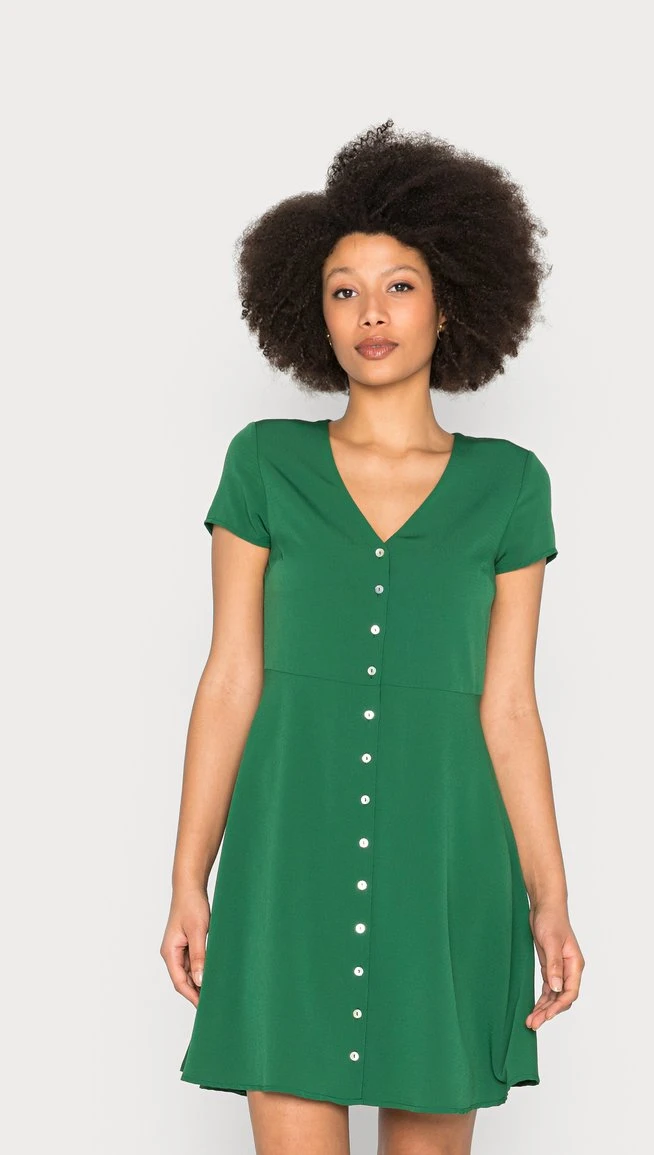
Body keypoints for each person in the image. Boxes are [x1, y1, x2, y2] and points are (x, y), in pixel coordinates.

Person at [161, 119, 585, 1155]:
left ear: (450, 303)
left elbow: (509, 707)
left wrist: (550, 898)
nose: (371, 313)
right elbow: (229, 677)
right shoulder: (263, 465)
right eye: (343, 290)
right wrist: (187, 876)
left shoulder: (509, 487)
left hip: (447, 865)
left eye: (398, 285)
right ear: (312, 313)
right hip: (287, 860)